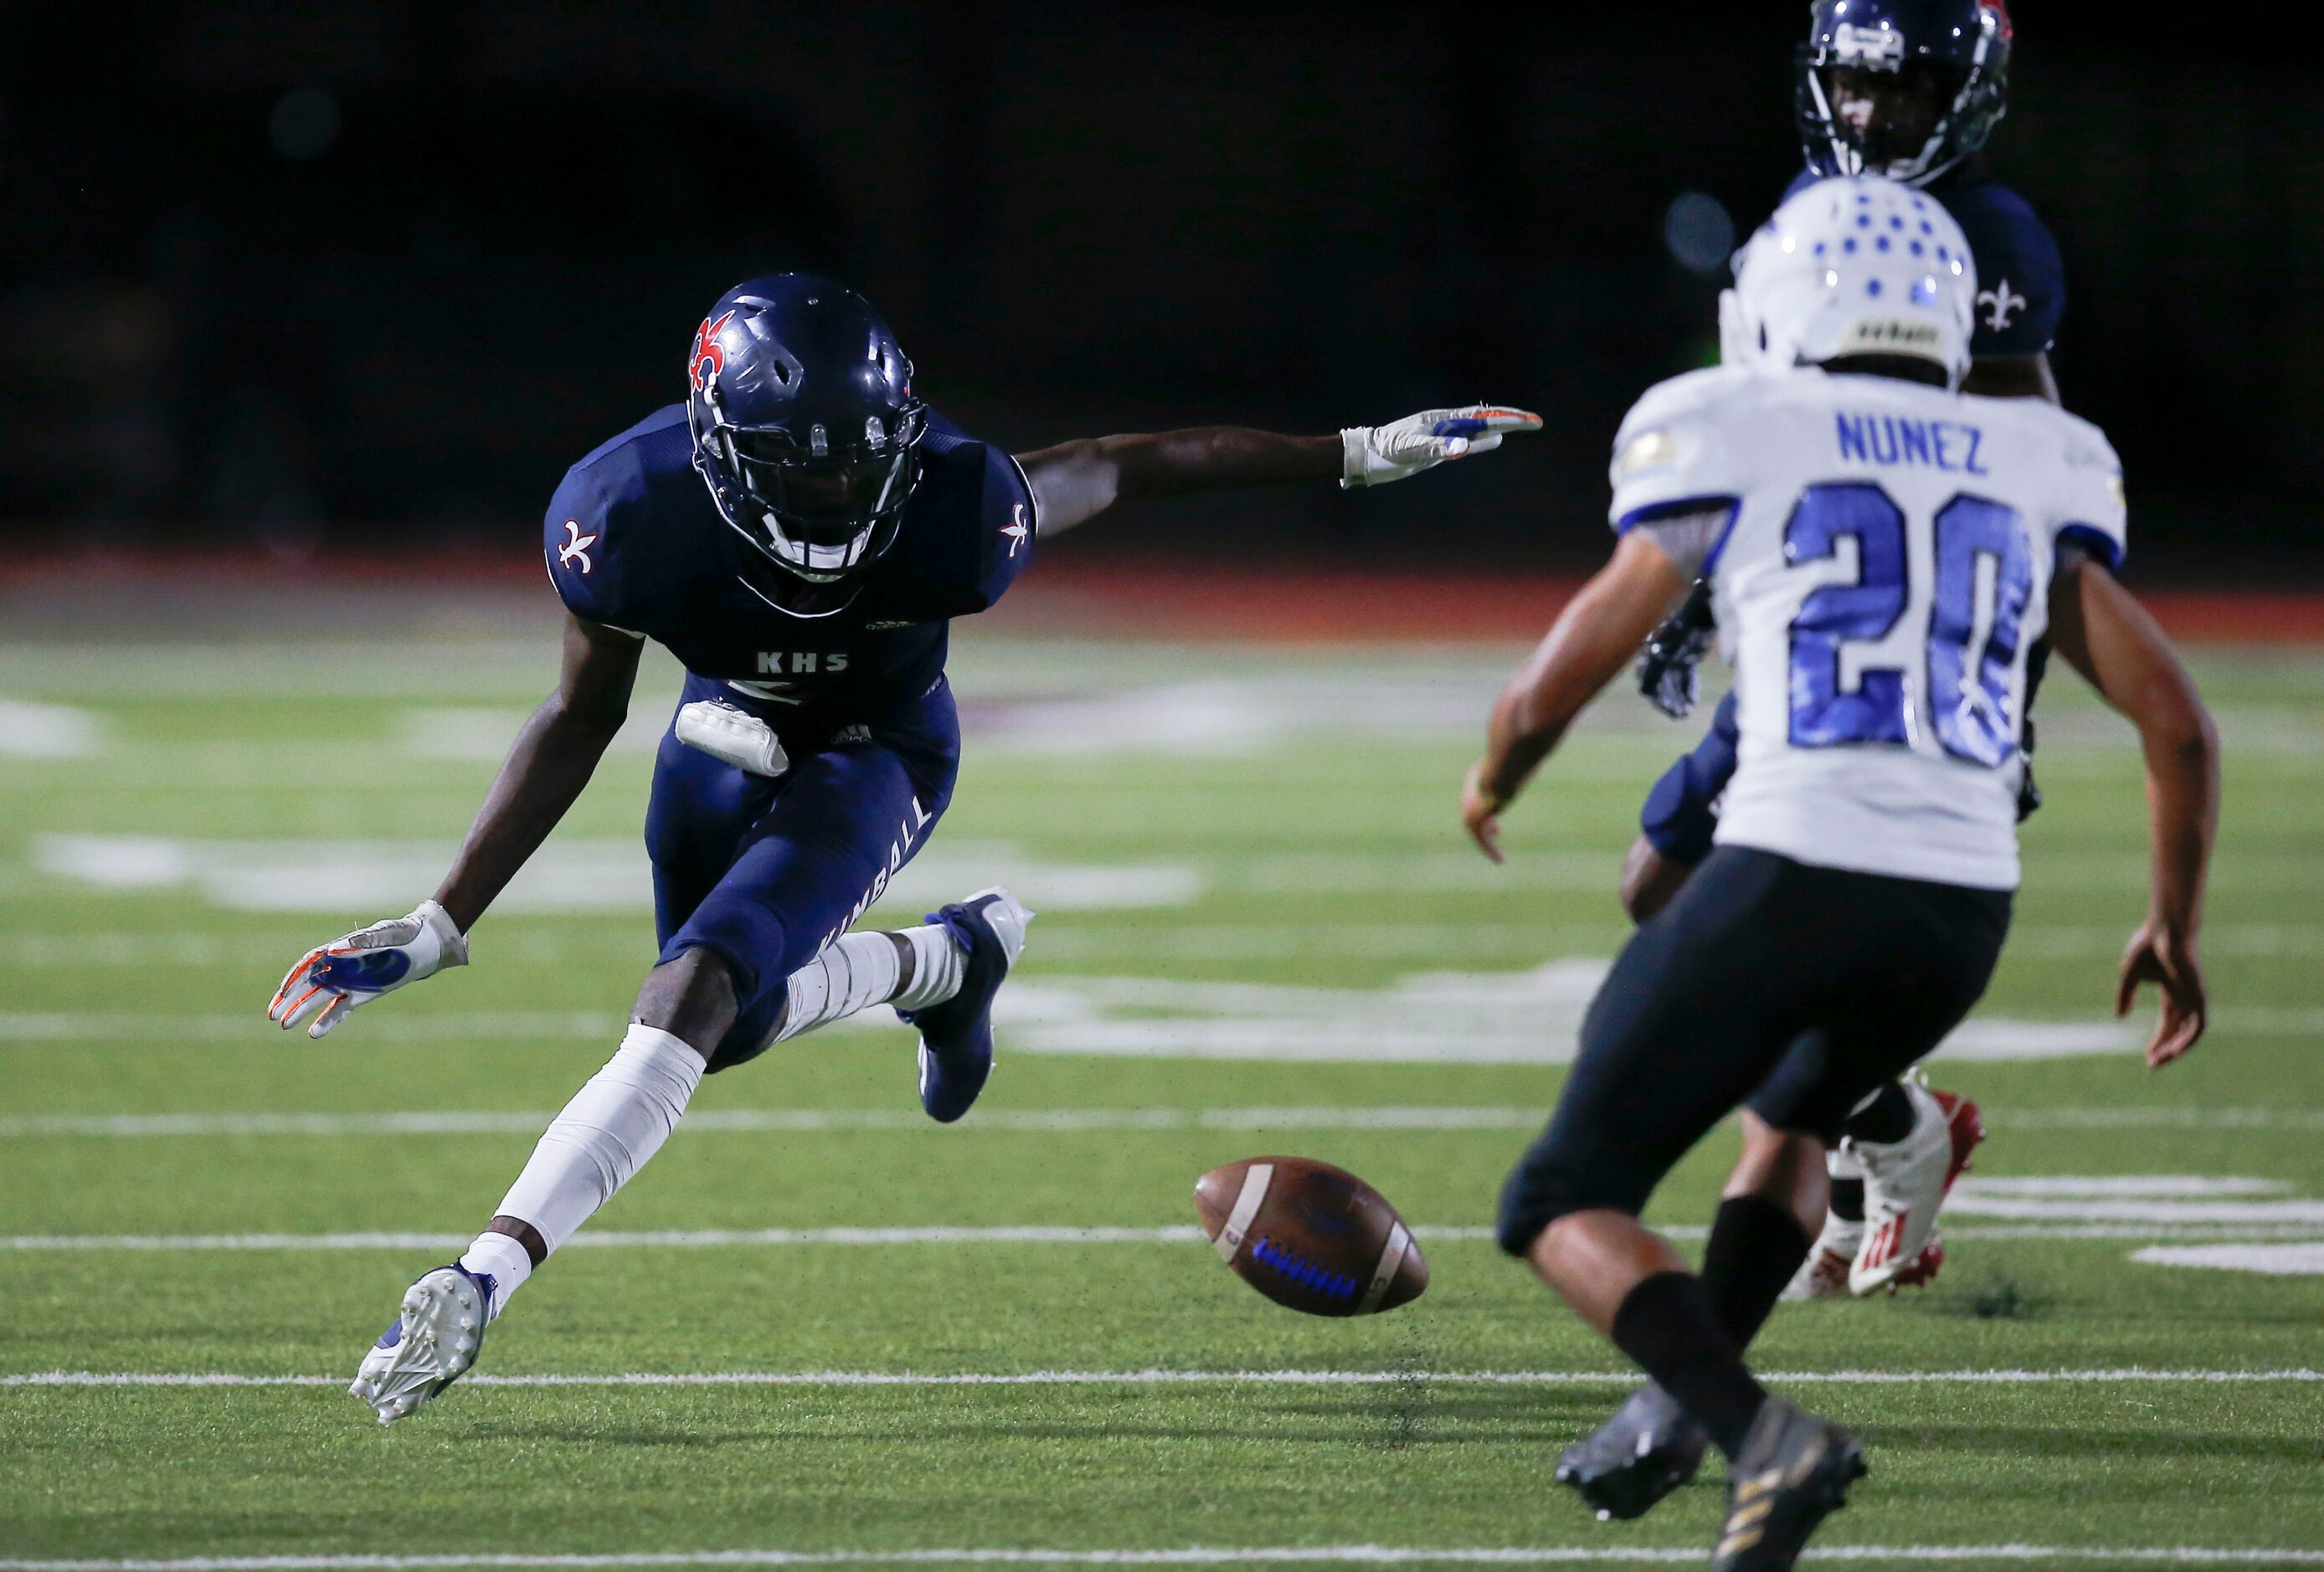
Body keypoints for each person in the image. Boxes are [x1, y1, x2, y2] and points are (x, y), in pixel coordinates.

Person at [267, 272, 1540, 1425]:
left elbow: (1131, 464)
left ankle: (483, 1271)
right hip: (719, 737)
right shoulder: (626, 511)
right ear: (717, 448)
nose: (830, 497)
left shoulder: (957, 499)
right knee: (733, 1027)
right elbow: (580, 716)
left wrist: (1358, 453)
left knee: (689, 999)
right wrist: (442, 921)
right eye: (798, 472)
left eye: (851, 470)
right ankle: (950, 963)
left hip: (880, 749)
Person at [1461, 176, 2215, 1569]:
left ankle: (1761, 1435)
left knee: (1557, 1199)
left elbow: (1568, 663)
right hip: (1963, 907)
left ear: (1782, 303)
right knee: (1799, 1114)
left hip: (1796, 861)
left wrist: (1500, 767)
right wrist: (2171, 923)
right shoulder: (2034, 453)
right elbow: (2177, 721)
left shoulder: (1745, 421)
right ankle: (1700, 1432)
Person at [1563, 0, 2066, 1522]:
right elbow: (1777, 423)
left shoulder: (1991, 241)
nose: (1870, 111)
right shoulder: (1805, 211)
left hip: (1894, 678)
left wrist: (2009, 694)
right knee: (1662, 882)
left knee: (1735, 1015)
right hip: (1804, 646)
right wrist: (1701, 590)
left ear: (1961, 96)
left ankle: (1695, 1380)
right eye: (1849, 79)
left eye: (1899, 87)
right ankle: (1887, 1122)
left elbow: (2026, 477)